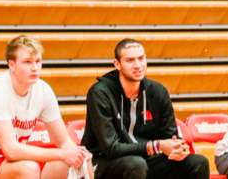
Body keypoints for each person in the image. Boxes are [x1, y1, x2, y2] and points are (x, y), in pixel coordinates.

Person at [0, 35, 88, 179]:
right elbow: (11, 150)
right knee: (28, 168)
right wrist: (62, 153)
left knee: (77, 159)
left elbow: (63, 141)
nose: (35, 68)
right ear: (12, 65)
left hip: (12, 161)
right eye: (27, 62)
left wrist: (78, 155)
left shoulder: (43, 90)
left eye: (38, 61)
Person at [82, 39, 209, 179]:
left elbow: (169, 136)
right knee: (136, 165)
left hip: (145, 159)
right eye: (130, 60)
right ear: (117, 64)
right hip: (103, 161)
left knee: (197, 162)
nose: (138, 65)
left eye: (141, 58)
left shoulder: (158, 91)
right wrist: (157, 145)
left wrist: (179, 149)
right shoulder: (100, 93)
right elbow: (111, 148)